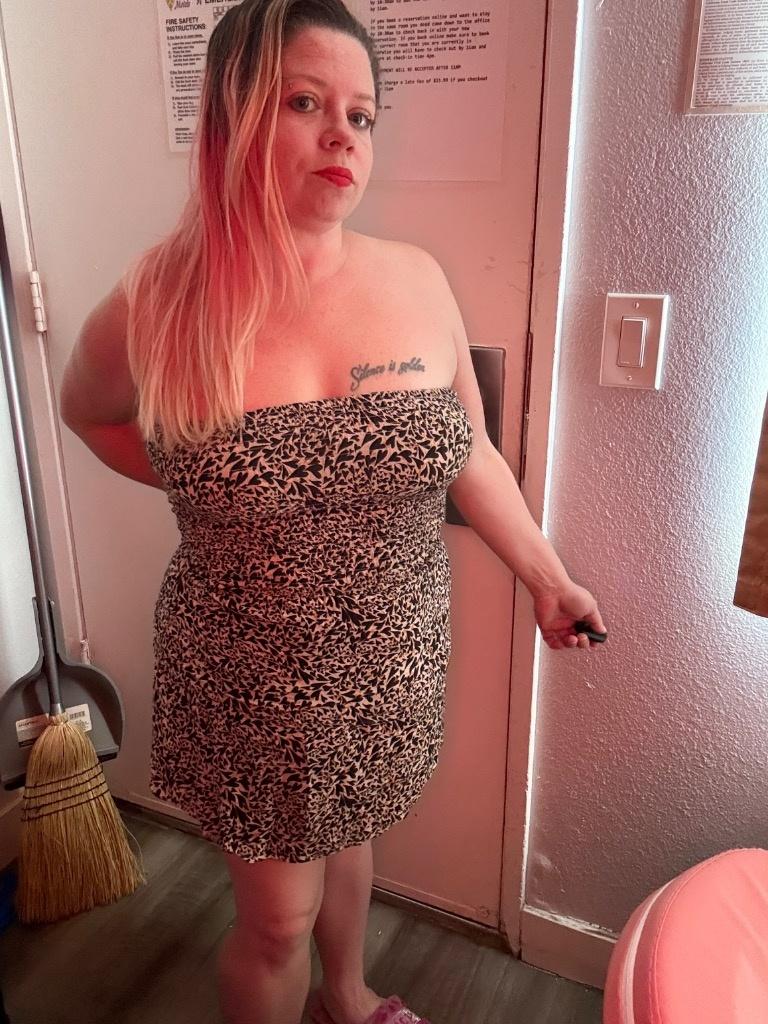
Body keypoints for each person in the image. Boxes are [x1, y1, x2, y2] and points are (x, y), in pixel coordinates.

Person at [60, 2, 607, 1023]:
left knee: (353, 836)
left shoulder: (416, 279)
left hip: (389, 660)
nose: (342, 135)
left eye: (361, 114)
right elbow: (86, 412)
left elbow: (470, 450)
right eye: (305, 103)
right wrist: (212, 487)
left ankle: (347, 997)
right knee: (277, 921)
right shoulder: (160, 300)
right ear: (230, 117)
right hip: (248, 674)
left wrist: (549, 579)